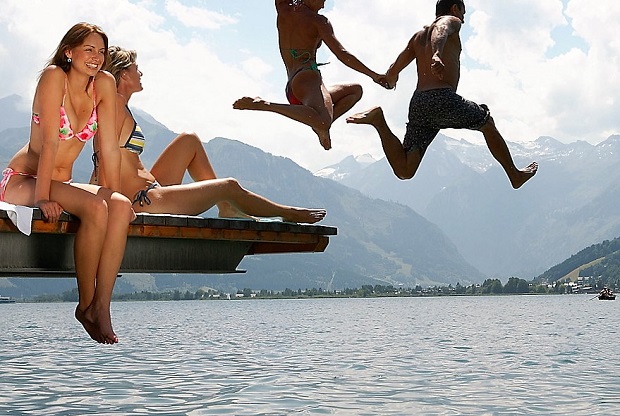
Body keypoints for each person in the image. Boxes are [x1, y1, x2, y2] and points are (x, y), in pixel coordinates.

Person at [0, 23, 135, 344]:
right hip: (25, 181)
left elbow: (109, 149)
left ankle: (102, 306)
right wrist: (44, 196)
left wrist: (115, 192)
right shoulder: (53, 78)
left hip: (61, 181)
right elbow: (48, 143)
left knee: (118, 206)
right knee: (94, 208)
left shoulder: (103, 84)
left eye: (101, 51)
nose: (97, 58)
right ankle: (85, 306)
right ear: (68, 52)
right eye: (88, 50)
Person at [100, 46, 326, 224]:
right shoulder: (114, 108)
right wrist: (104, 202)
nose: (140, 72)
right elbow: (101, 157)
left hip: (152, 190)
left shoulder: (122, 107)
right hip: (143, 201)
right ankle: (287, 212)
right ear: (123, 75)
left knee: (189, 140)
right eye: (135, 68)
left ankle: (226, 207)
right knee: (228, 186)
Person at [347, 0, 538, 189]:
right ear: (455, 8)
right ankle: (514, 175)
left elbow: (392, 71)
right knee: (486, 123)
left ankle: (379, 121)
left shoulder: (417, 37)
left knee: (405, 170)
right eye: (463, 12)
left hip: (419, 104)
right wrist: (437, 53)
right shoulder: (450, 20)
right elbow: (442, 29)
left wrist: (388, 79)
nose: (463, 18)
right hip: (442, 98)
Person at [233, 0, 387, 151]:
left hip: (294, 87)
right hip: (307, 80)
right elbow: (343, 55)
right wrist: (373, 75)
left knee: (355, 91)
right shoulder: (319, 21)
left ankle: (319, 125)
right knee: (323, 121)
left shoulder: (284, 9)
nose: (324, 4)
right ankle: (266, 105)